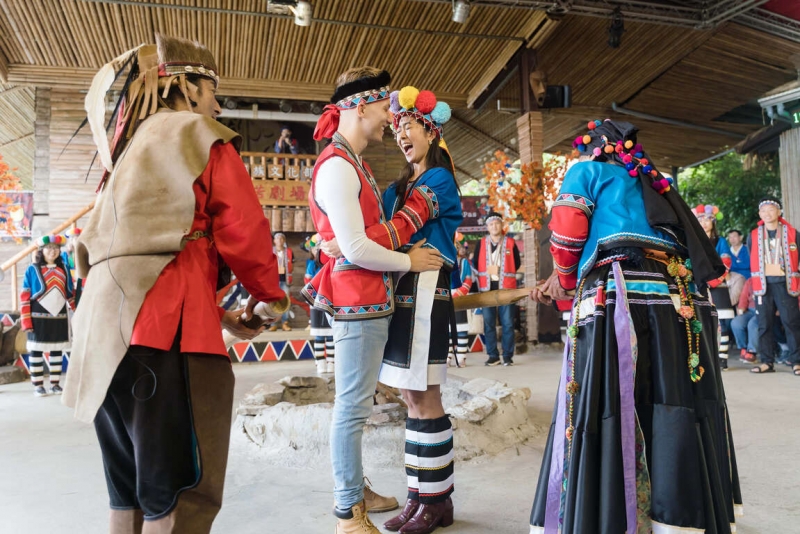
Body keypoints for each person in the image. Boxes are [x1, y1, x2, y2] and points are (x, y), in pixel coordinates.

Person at [62, 35, 287, 533]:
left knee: (128, 489)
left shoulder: (123, 153)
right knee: (180, 493)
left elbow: (143, 255)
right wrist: (270, 299)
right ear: (185, 85)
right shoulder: (198, 135)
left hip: (101, 338)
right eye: (211, 90)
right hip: (163, 340)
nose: (217, 103)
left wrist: (217, 312)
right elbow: (244, 232)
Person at [529, 120, 741, 533]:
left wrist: (564, 279)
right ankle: (673, 521)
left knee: (609, 401)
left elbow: (569, 232)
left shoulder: (586, 171)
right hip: (677, 302)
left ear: (593, 148)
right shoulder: (656, 186)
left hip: (620, 298)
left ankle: (611, 515)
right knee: (670, 401)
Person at [302, 67, 444, 534]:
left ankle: (355, 489)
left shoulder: (353, 162)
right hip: (357, 300)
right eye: (385, 110)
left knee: (356, 403)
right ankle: (348, 512)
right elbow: (359, 247)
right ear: (359, 108)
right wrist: (410, 262)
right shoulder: (339, 166)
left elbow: (353, 240)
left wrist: (350, 241)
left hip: (369, 299)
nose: (390, 120)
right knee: (352, 407)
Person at [349, 85, 462, 534]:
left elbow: (403, 226)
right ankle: (422, 496)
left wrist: (351, 245)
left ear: (431, 131)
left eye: (408, 125)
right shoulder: (403, 184)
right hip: (405, 287)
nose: (400, 134)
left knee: (426, 397)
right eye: (395, 127)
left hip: (427, 289)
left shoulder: (437, 180)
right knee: (412, 397)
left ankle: (436, 502)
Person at [747, 196, 800, 376]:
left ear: (779, 212)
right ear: (760, 214)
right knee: (764, 324)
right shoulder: (753, 235)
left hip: (786, 284)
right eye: (763, 210)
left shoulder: (792, 233)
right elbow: (751, 256)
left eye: (771, 209)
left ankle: (796, 361)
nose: (767, 213)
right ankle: (767, 361)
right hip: (763, 285)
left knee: (791, 323)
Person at [20, 235, 74, 397]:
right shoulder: (32, 269)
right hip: (37, 316)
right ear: (41, 250)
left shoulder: (64, 269)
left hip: (59, 315)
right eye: (49, 248)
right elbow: (25, 295)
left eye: (56, 248)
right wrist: (26, 320)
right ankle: (38, 385)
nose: (53, 251)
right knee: (36, 350)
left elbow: (70, 293)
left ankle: (55, 384)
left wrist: (77, 310)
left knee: (57, 349)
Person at [472, 212, 520, 366]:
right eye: (491, 224)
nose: (494, 226)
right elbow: (474, 262)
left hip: (506, 288)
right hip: (487, 289)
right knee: (488, 323)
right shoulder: (481, 243)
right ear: (487, 227)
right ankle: (493, 356)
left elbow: (517, 262)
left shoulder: (511, 243)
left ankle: (507, 356)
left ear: (502, 225)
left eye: (497, 223)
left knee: (508, 323)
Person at [694, 204, 735, 369]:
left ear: (713, 222)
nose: (704, 223)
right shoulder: (693, 239)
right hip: (699, 284)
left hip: (718, 283)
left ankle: (722, 357)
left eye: (707, 219)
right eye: (700, 219)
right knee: (702, 320)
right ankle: (707, 357)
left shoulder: (721, 241)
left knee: (722, 322)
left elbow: (726, 261)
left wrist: (713, 279)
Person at [304, 234, 334, 374]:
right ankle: (320, 362)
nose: (317, 252)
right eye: (316, 249)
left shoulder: (332, 263)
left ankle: (332, 362)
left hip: (329, 300)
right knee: (319, 334)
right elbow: (308, 282)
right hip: (316, 301)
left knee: (331, 334)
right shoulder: (311, 265)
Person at [449, 233, 472, 368]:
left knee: (461, 328)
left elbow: (468, 280)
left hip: (460, 297)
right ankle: (447, 357)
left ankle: (461, 356)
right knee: (446, 330)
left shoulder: (464, 263)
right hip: (445, 297)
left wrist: (458, 293)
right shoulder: (443, 260)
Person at [271, 232, 293, 331]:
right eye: (277, 239)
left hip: (285, 279)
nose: (279, 241)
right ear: (274, 241)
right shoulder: (270, 251)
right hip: (274, 281)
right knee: (273, 302)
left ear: (284, 241)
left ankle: (285, 322)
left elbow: (292, 264)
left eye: (281, 239)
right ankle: (273, 324)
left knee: (286, 302)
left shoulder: (288, 252)